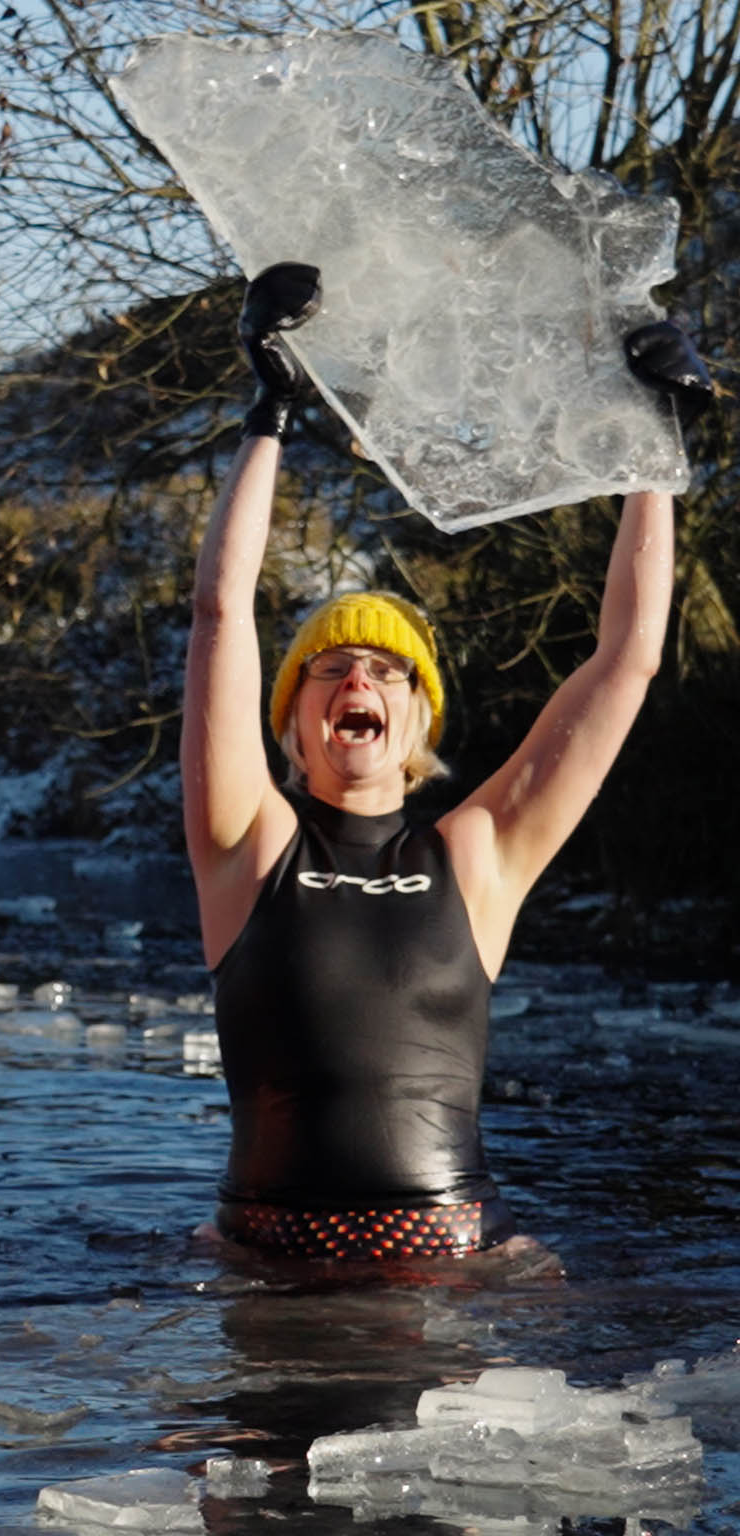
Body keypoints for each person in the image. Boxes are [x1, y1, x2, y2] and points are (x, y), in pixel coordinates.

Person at [182, 261, 712, 1262]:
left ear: (416, 719)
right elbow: (219, 612)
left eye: (385, 672)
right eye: (327, 669)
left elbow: (625, 660)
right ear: (290, 721)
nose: (357, 684)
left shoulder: (478, 856)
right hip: (265, 1263)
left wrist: (655, 455)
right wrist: (269, 410)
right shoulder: (244, 845)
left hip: (457, 1257)